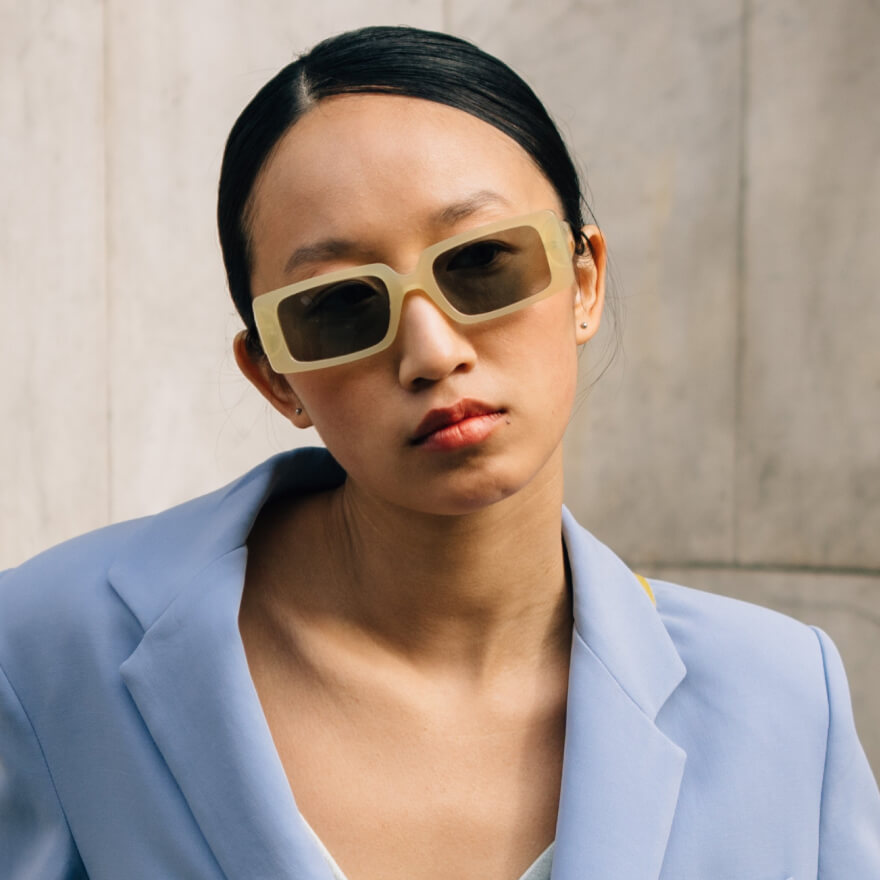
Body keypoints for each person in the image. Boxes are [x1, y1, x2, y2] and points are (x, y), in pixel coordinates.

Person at [1, 25, 878, 880]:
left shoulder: (783, 698)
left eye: (483, 260)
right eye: (340, 305)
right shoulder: (49, 656)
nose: (431, 351)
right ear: (274, 377)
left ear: (584, 281)